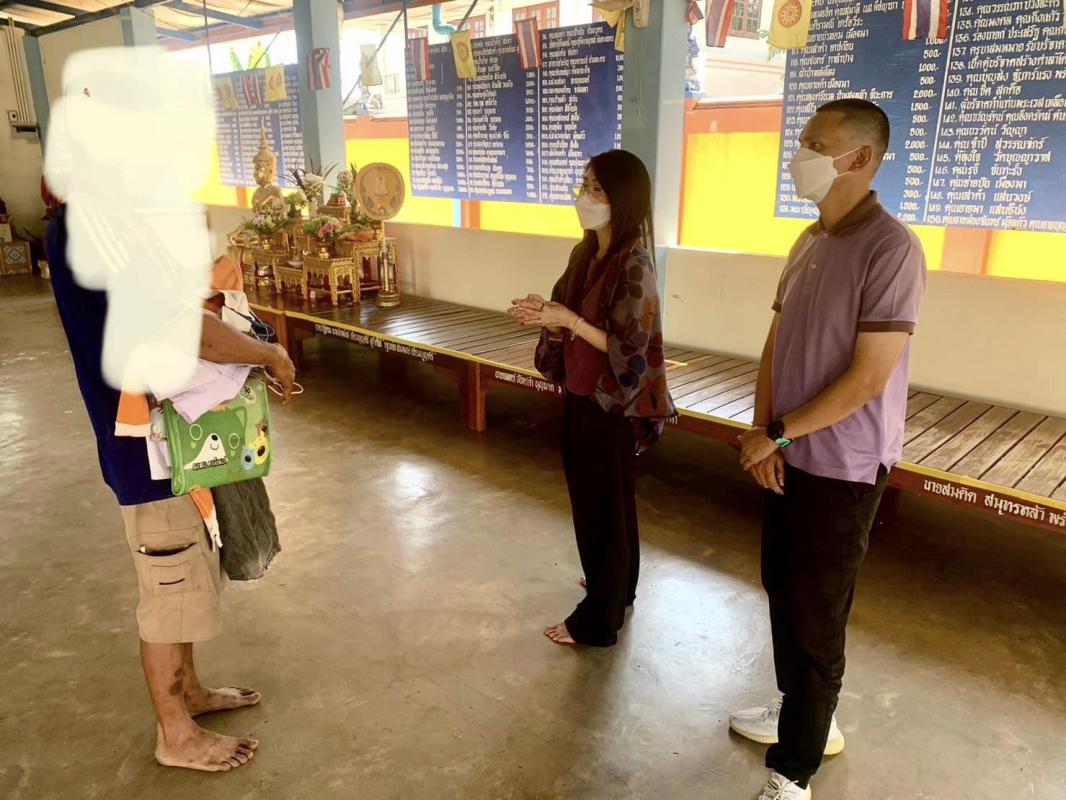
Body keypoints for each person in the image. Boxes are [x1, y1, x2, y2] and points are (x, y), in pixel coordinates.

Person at [46, 205, 296, 773]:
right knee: (170, 591)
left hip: (174, 443)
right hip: (148, 452)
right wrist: (268, 353)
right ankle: (175, 734)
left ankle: (190, 693)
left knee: (189, 579)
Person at [729, 99, 927, 799]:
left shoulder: (893, 249)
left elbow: (869, 377)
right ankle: (803, 716)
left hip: (843, 465)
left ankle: (795, 770)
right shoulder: (809, 240)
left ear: (860, 158)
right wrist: (764, 434)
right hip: (787, 450)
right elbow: (776, 344)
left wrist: (780, 432)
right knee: (783, 589)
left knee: (818, 613)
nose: (800, 155)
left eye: (816, 144)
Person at [509, 149, 676, 647]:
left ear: (623, 199)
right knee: (607, 503)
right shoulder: (585, 254)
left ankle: (598, 620)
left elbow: (631, 348)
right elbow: (565, 311)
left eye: (597, 189)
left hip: (612, 405)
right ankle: (618, 583)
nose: (585, 197)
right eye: (584, 185)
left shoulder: (634, 263)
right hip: (581, 395)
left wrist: (570, 321)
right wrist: (545, 312)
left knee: (602, 507)